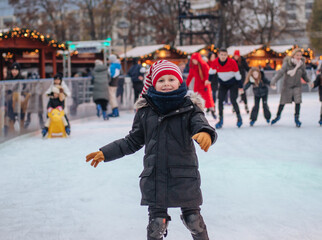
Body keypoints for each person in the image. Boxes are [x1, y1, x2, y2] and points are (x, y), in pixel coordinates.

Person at [86, 60, 217, 240]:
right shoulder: (145, 111)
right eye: (161, 80)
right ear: (153, 83)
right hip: (156, 176)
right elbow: (132, 141)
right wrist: (106, 152)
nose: (166, 84)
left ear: (180, 82)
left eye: (171, 79)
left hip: (184, 175)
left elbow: (200, 124)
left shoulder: (190, 108)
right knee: (156, 225)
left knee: (193, 220)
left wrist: (205, 133)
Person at [270, 48, 310, 127]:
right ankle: (278, 116)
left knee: (298, 101)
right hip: (287, 86)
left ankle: (297, 118)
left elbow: (304, 74)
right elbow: (280, 73)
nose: (299, 57)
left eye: (300, 55)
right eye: (297, 55)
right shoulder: (287, 63)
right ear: (293, 55)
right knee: (282, 102)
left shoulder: (301, 64)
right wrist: (273, 81)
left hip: (297, 86)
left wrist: (309, 81)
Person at [209, 49, 243, 129]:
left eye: (225, 55)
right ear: (218, 55)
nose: (223, 56)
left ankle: (239, 118)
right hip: (223, 84)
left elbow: (238, 75)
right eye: (222, 54)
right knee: (220, 101)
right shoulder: (215, 62)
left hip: (233, 83)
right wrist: (208, 80)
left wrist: (240, 87)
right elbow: (211, 72)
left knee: (233, 100)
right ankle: (220, 120)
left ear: (227, 55)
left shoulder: (232, 62)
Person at [186, 52, 216, 119]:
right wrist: (186, 85)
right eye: (193, 60)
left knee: (208, 100)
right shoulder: (193, 67)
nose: (194, 61)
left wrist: (206, 80)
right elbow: (190, 76)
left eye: (195, 60)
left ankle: (212, 111)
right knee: (197, 100)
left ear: (198, 59)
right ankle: (199, 114)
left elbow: (208, 74)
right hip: (197, 86)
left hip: (205, 85)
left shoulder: (204, 65)